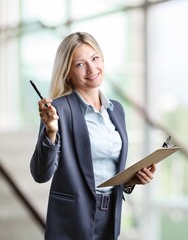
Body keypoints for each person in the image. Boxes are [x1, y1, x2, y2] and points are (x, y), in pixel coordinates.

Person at [30, 32, 156, 240]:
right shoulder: (59, 110)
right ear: (67, 73)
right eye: (80, 64)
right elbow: (40, 174)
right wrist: (51, 131)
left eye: (94, 58)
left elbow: (107, 169)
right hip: (71, 220)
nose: (91, 69)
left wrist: (131, 180)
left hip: (110, 217)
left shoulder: (117, 110)